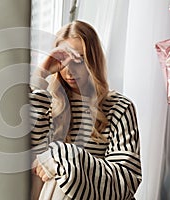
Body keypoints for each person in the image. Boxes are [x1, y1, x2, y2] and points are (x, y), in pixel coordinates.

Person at [29, 20, 142, 199]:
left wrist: (63, 157)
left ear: (93, 60)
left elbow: (126, 181)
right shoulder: (48, 103)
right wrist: (41, 73)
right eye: (62, 60)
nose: (69, 71)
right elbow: (31, 157)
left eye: (78, 60)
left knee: (59, 179)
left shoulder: (119, 107)